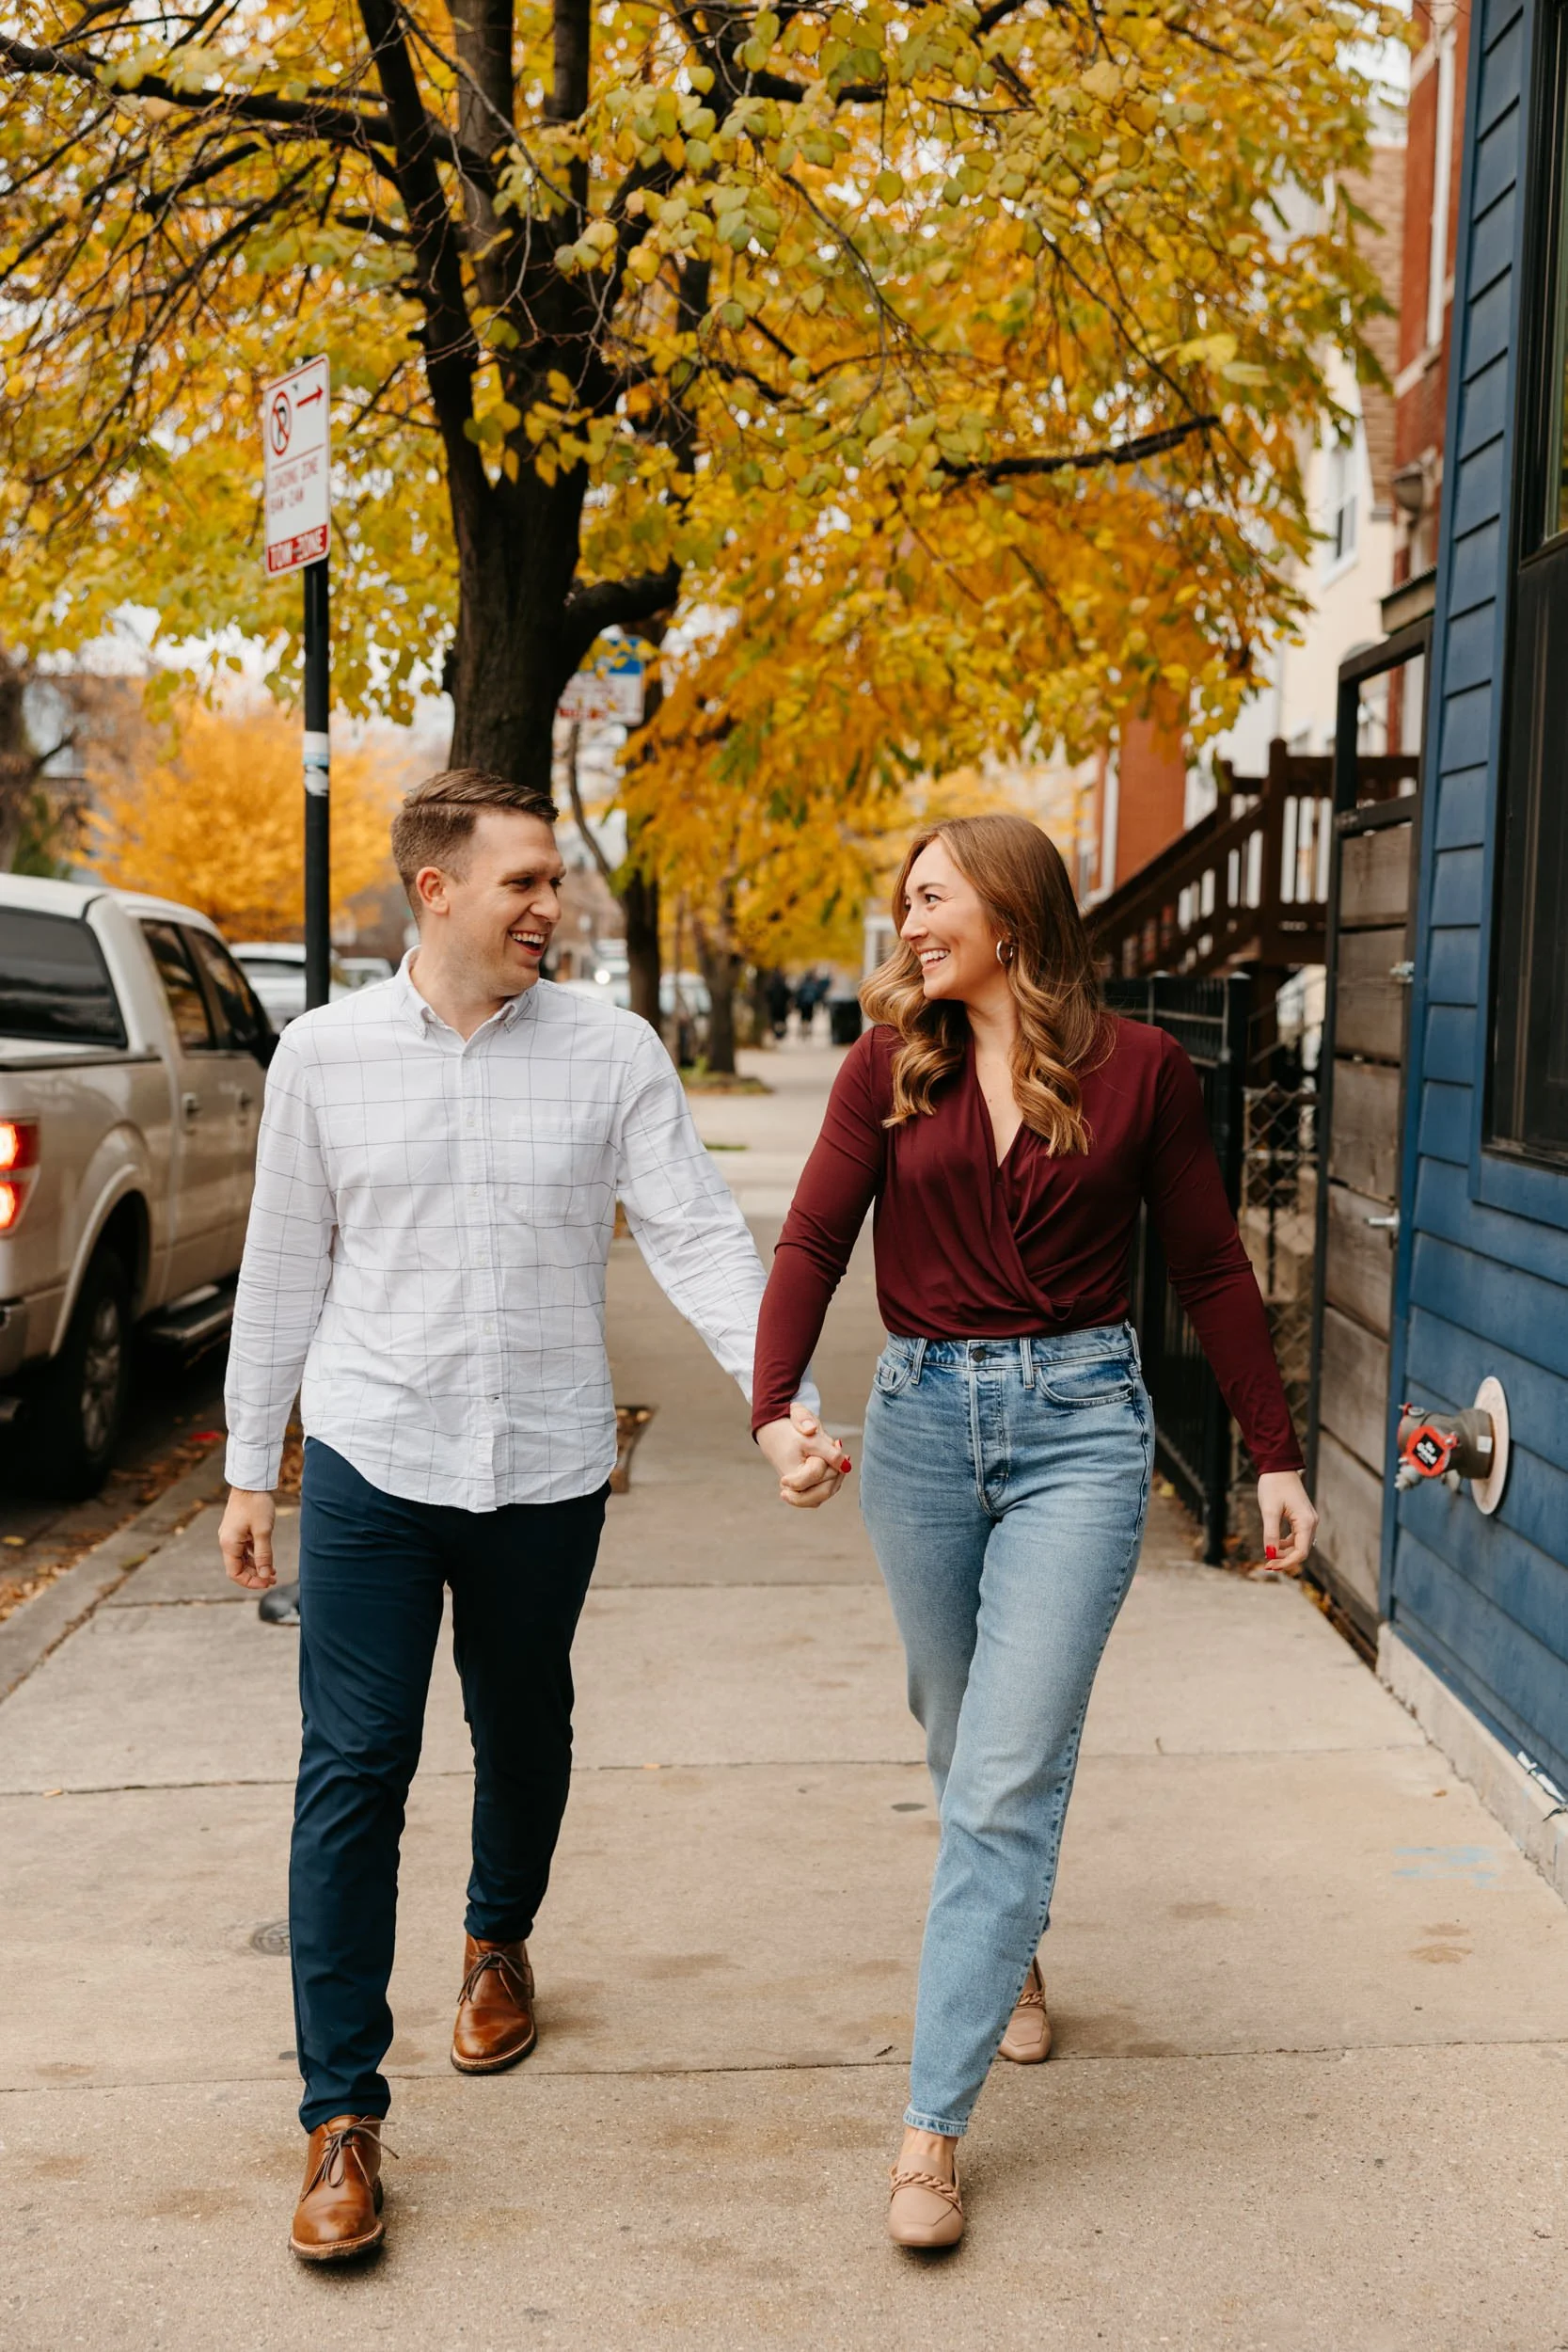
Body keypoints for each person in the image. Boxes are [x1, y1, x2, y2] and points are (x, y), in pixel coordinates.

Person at [218, 769, 845, 2265]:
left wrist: (778, 1404)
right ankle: (339, 2114)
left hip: (547, 1462)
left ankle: (497, 1939)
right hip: (372, 1456)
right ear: (433, 891)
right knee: (352, 1767)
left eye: (554, 880)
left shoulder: (608, 1050)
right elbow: (284, 1261)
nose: (550, 906)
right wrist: (251, 1465)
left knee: (524, 1725)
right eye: (524, 882)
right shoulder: (323, 1056)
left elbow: (698, 1236)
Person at [752, 814, 1316, 2250]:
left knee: (1002, 1778)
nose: (908, 922)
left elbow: (1208, 1265)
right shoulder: (889, 1065)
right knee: (957, 1733)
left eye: (930, 898)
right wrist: (774, 1408)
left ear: (1009, 914)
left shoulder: (1143, 1071)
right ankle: (1008, 1948)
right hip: (921, 1428)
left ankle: (928, 2133)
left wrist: (1271, 1453)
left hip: (1080, 1432)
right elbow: (812, 1240)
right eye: (904, 900)